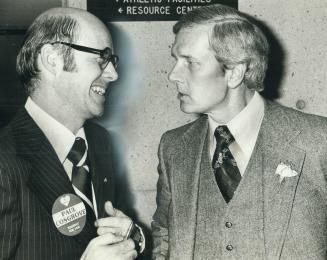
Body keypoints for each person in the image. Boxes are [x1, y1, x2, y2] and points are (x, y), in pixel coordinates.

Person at [151, 4, 327, 260]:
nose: (172, 75)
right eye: (175, 60)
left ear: (234, 73)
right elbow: (163, 235)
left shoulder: (318, 140)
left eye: (190, 62)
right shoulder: (173, 147)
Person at [0, 7, 144, 260]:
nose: (113, 74)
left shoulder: (100, 142)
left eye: (113, 61)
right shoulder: (4, 162)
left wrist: (133, 238)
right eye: (101, 57)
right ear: (52, 60)